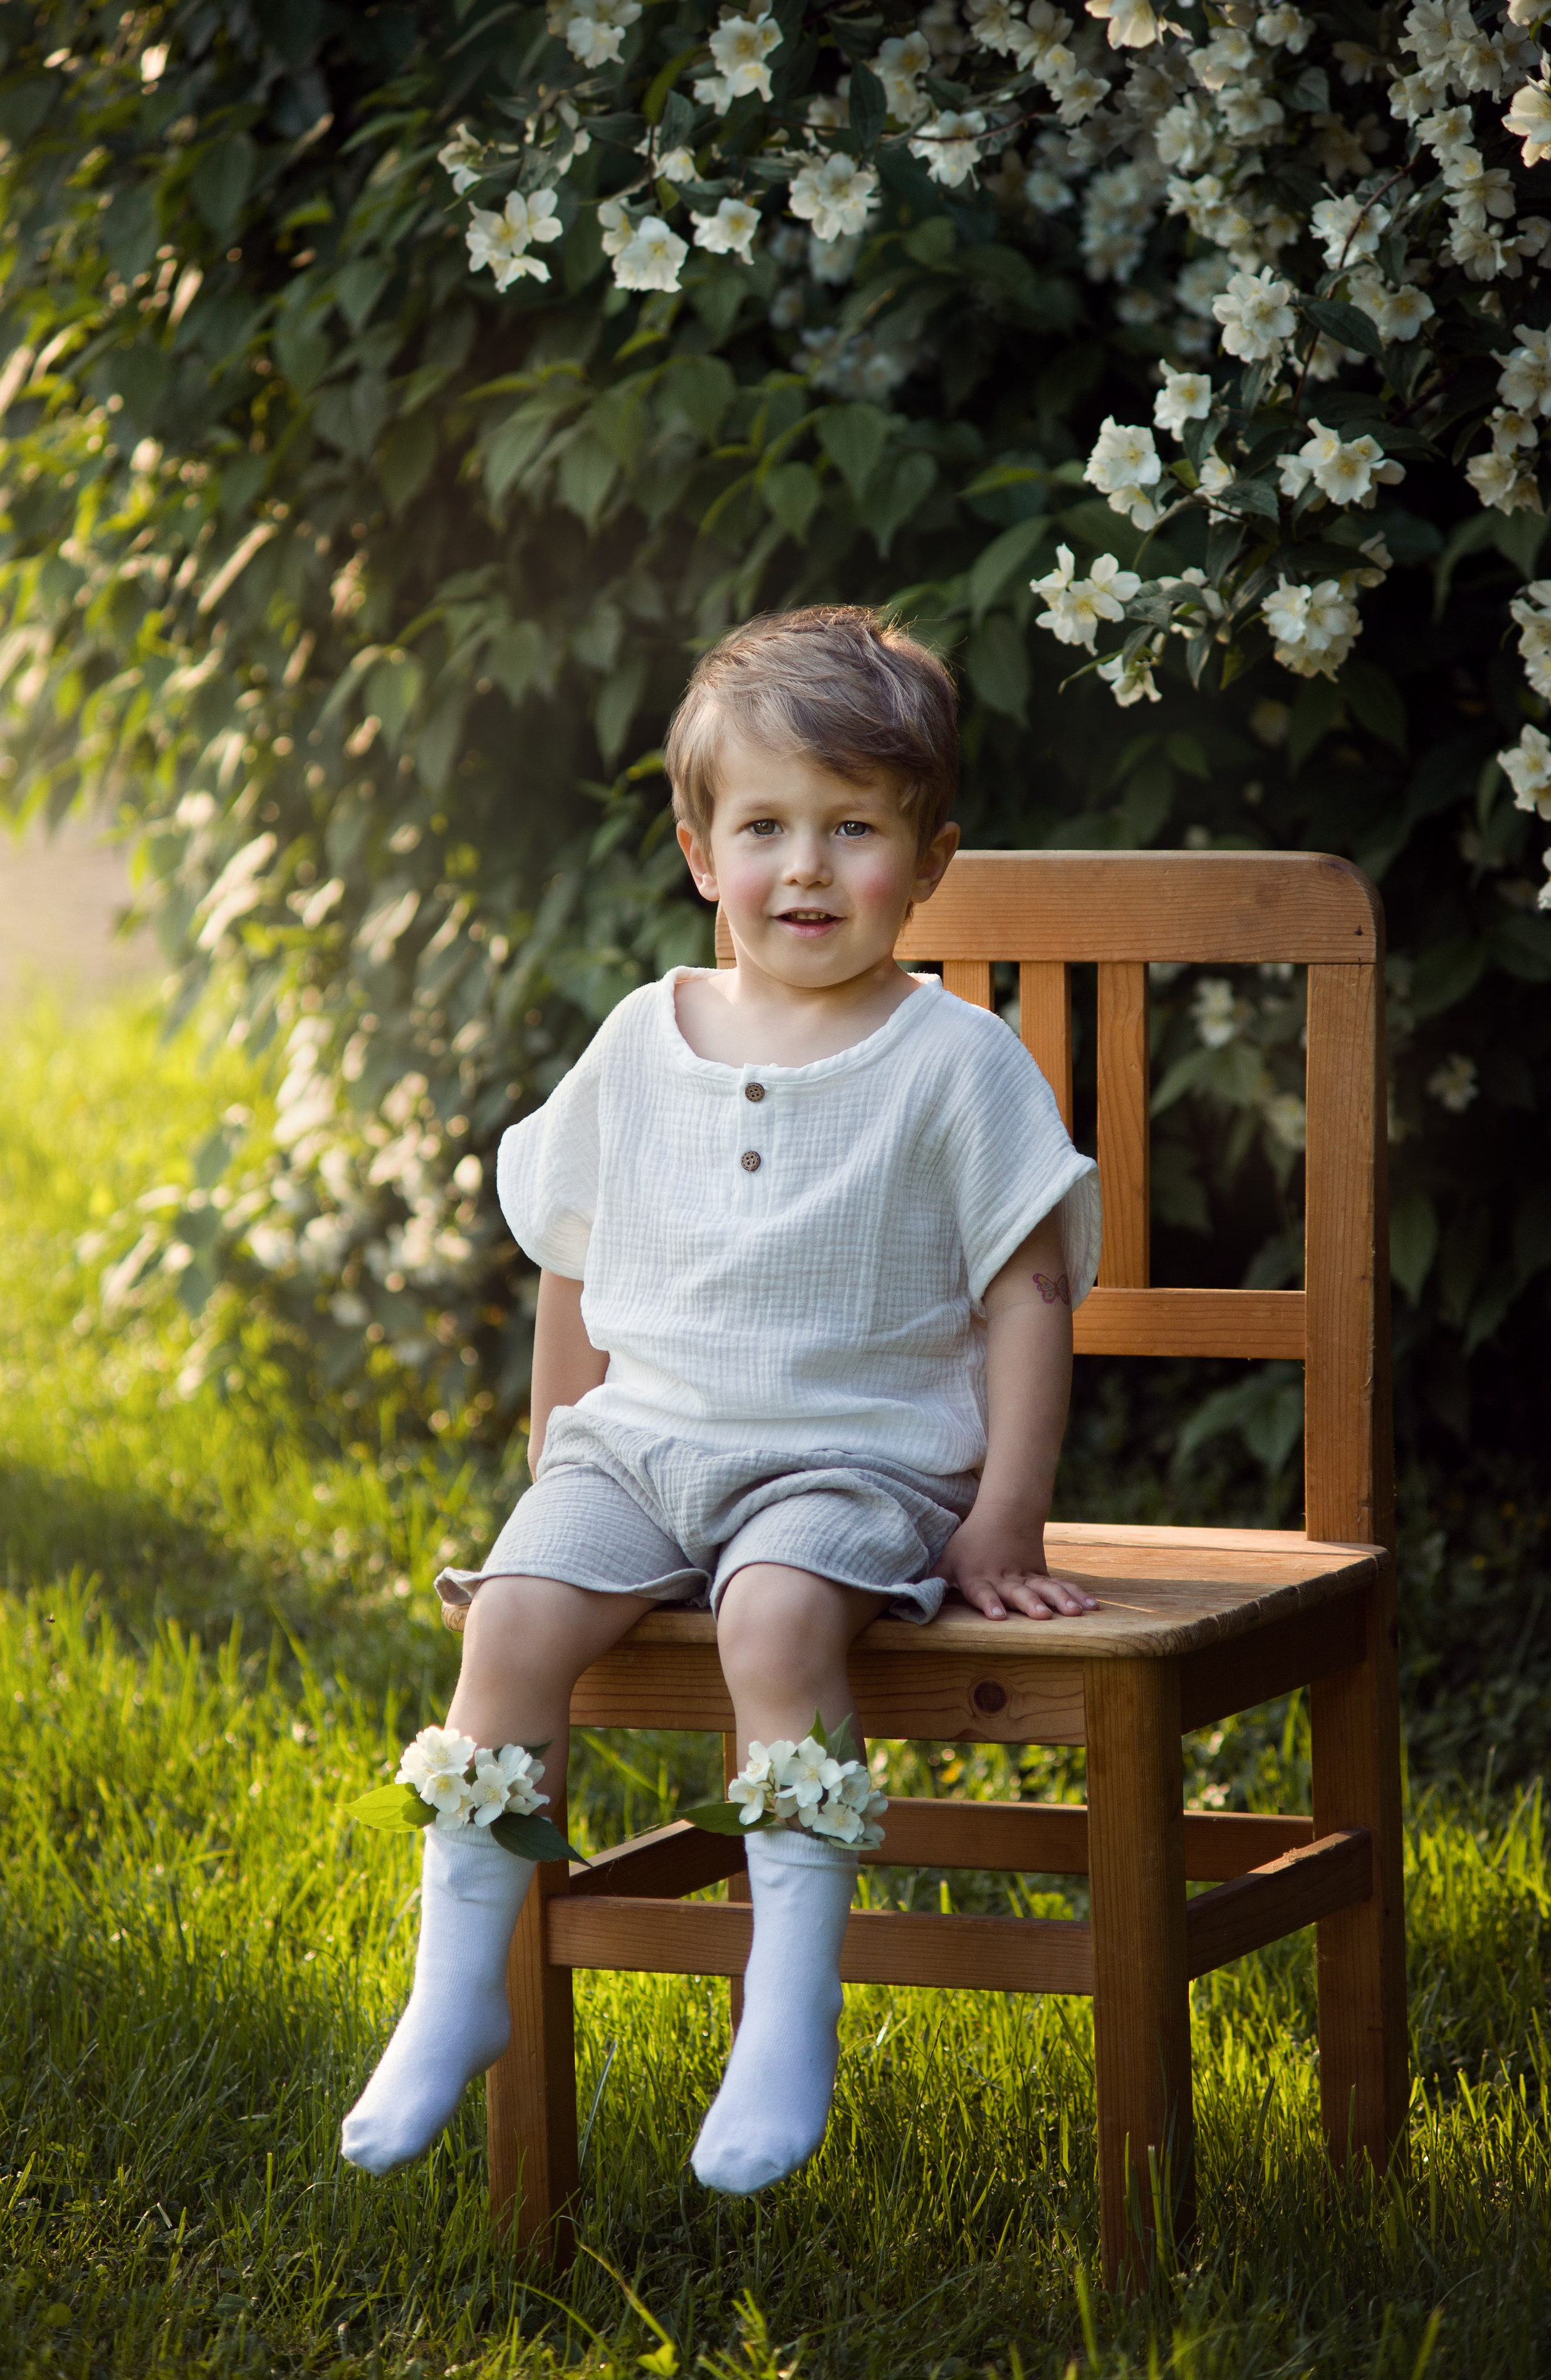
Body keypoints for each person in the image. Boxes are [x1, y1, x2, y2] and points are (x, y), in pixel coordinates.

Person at [340, 606, 1102, 2193]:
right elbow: (573, 1254)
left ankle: (788, 2000)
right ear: (700, 849)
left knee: (772, 1623)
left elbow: (1028, 1295)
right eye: (765, 826)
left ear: (931, 857)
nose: (806, 870)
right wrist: (555, 1461)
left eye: (854, 829)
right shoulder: (641, 1039)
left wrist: (998, 1516)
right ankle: (456, 1982)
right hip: (639, 1449)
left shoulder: (954, 1062)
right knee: (510, 1622)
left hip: (850, 1465)